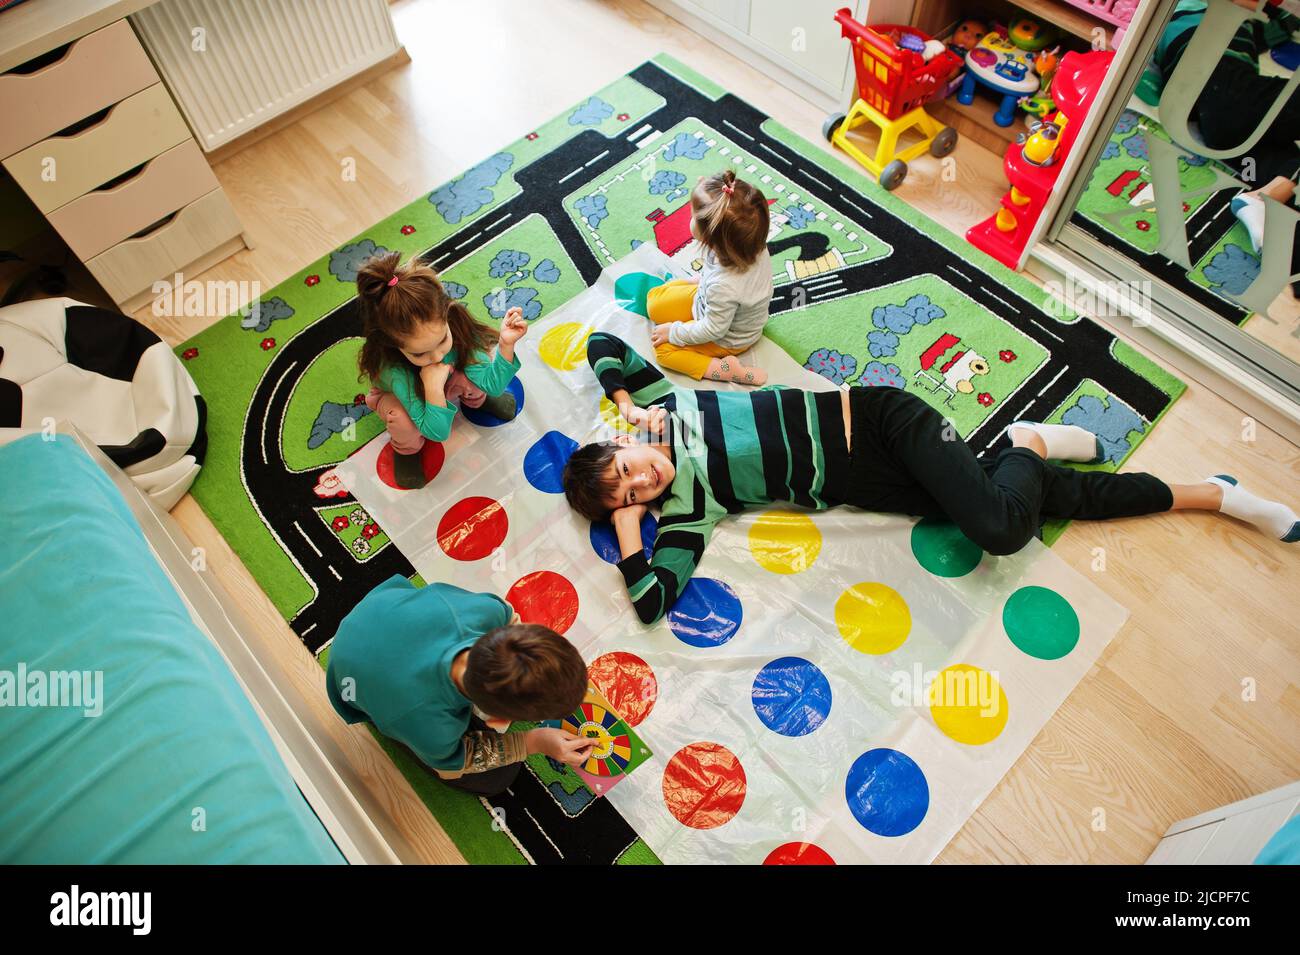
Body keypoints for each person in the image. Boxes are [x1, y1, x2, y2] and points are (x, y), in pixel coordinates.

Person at [562, 333, 1297, 624]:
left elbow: (604, 344)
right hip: (877, 484)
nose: (644, 480)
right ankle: (1213, 492)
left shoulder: (660, 409)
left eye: (626, 470)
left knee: (1001, 527)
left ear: (617, 445)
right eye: (632, 495)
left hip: (883, 421)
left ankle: (1029, 438)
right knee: (1049, 502)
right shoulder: (687, 510)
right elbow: (652, 602)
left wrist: (627, 401)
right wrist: (630, 532)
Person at [326, 576, 594, 795]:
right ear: (497, 716)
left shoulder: (486, 610)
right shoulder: (429, 722)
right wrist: (532, 742)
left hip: (379, 611)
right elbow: (452, 764)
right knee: (498, 778)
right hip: (349, 680)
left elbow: (510, 617)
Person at [356, 251, 528, 489]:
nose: (436, 357)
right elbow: (435, 433)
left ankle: (477, 402)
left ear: (447, 316)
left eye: (441, 341)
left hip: (443, 383)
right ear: (393, 344)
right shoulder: (394, 371)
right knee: (404, 423)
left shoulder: (457, 328)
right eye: (419, 353)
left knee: (475, 373)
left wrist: (506, 345)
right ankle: (407, 451)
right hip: (402, 396)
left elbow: (494, 383)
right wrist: (432, 387)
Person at [647, 170, 773, 386]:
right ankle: (696, 287)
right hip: (708, 300)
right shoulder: (750, 244)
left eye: (693, 215)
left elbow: (713, 329)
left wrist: (676, 332)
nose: (690, 216)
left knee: (663, 351)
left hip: (728, 339)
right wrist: (701, 281)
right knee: (654, 301)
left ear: (709, 236)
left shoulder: (725, 286)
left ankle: (726, 370)